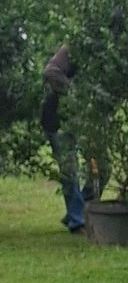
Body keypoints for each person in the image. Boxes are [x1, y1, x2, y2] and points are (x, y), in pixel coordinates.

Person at [40, 43, 86, 232]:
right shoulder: (73, 48)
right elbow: (50, 72)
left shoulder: (105, 52)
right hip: (57, 119)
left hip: (81, 120)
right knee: (70, 170)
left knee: (103, 167)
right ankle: (78, 220)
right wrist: (74, 92)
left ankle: (80, 209)